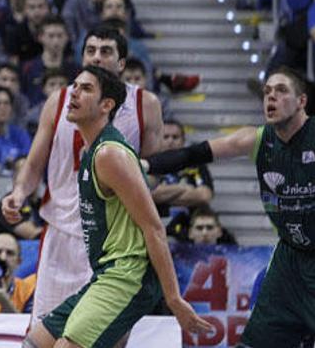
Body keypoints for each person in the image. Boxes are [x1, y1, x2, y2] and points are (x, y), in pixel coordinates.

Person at [22, 66, 210, 347]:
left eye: (86, 89)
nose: (74, 92)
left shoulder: (111, 154)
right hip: (106, 273)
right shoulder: (90, 150)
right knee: (34, 343)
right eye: (74, 86)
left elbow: (154, 227)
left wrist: (173, 298)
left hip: (128, 276)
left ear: (106, 105)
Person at [1, 26, 164, 328]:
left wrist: (128, 182)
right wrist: (19, 193)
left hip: (113, 239)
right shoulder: (60, 100)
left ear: (122, 63)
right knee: (43, 330)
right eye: (90, 51)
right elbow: (35, 162)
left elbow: (151, 172)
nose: (97, 57)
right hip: (61, 230)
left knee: (101, 335)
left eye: (106, 51)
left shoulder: (146, 105)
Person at [143, 66, 315, 347]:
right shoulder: (257, 139)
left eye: (281, 91)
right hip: (290, 260)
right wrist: (147, 164)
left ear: (302, 102)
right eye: (267, 92)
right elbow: (196, 153)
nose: (271, 97)